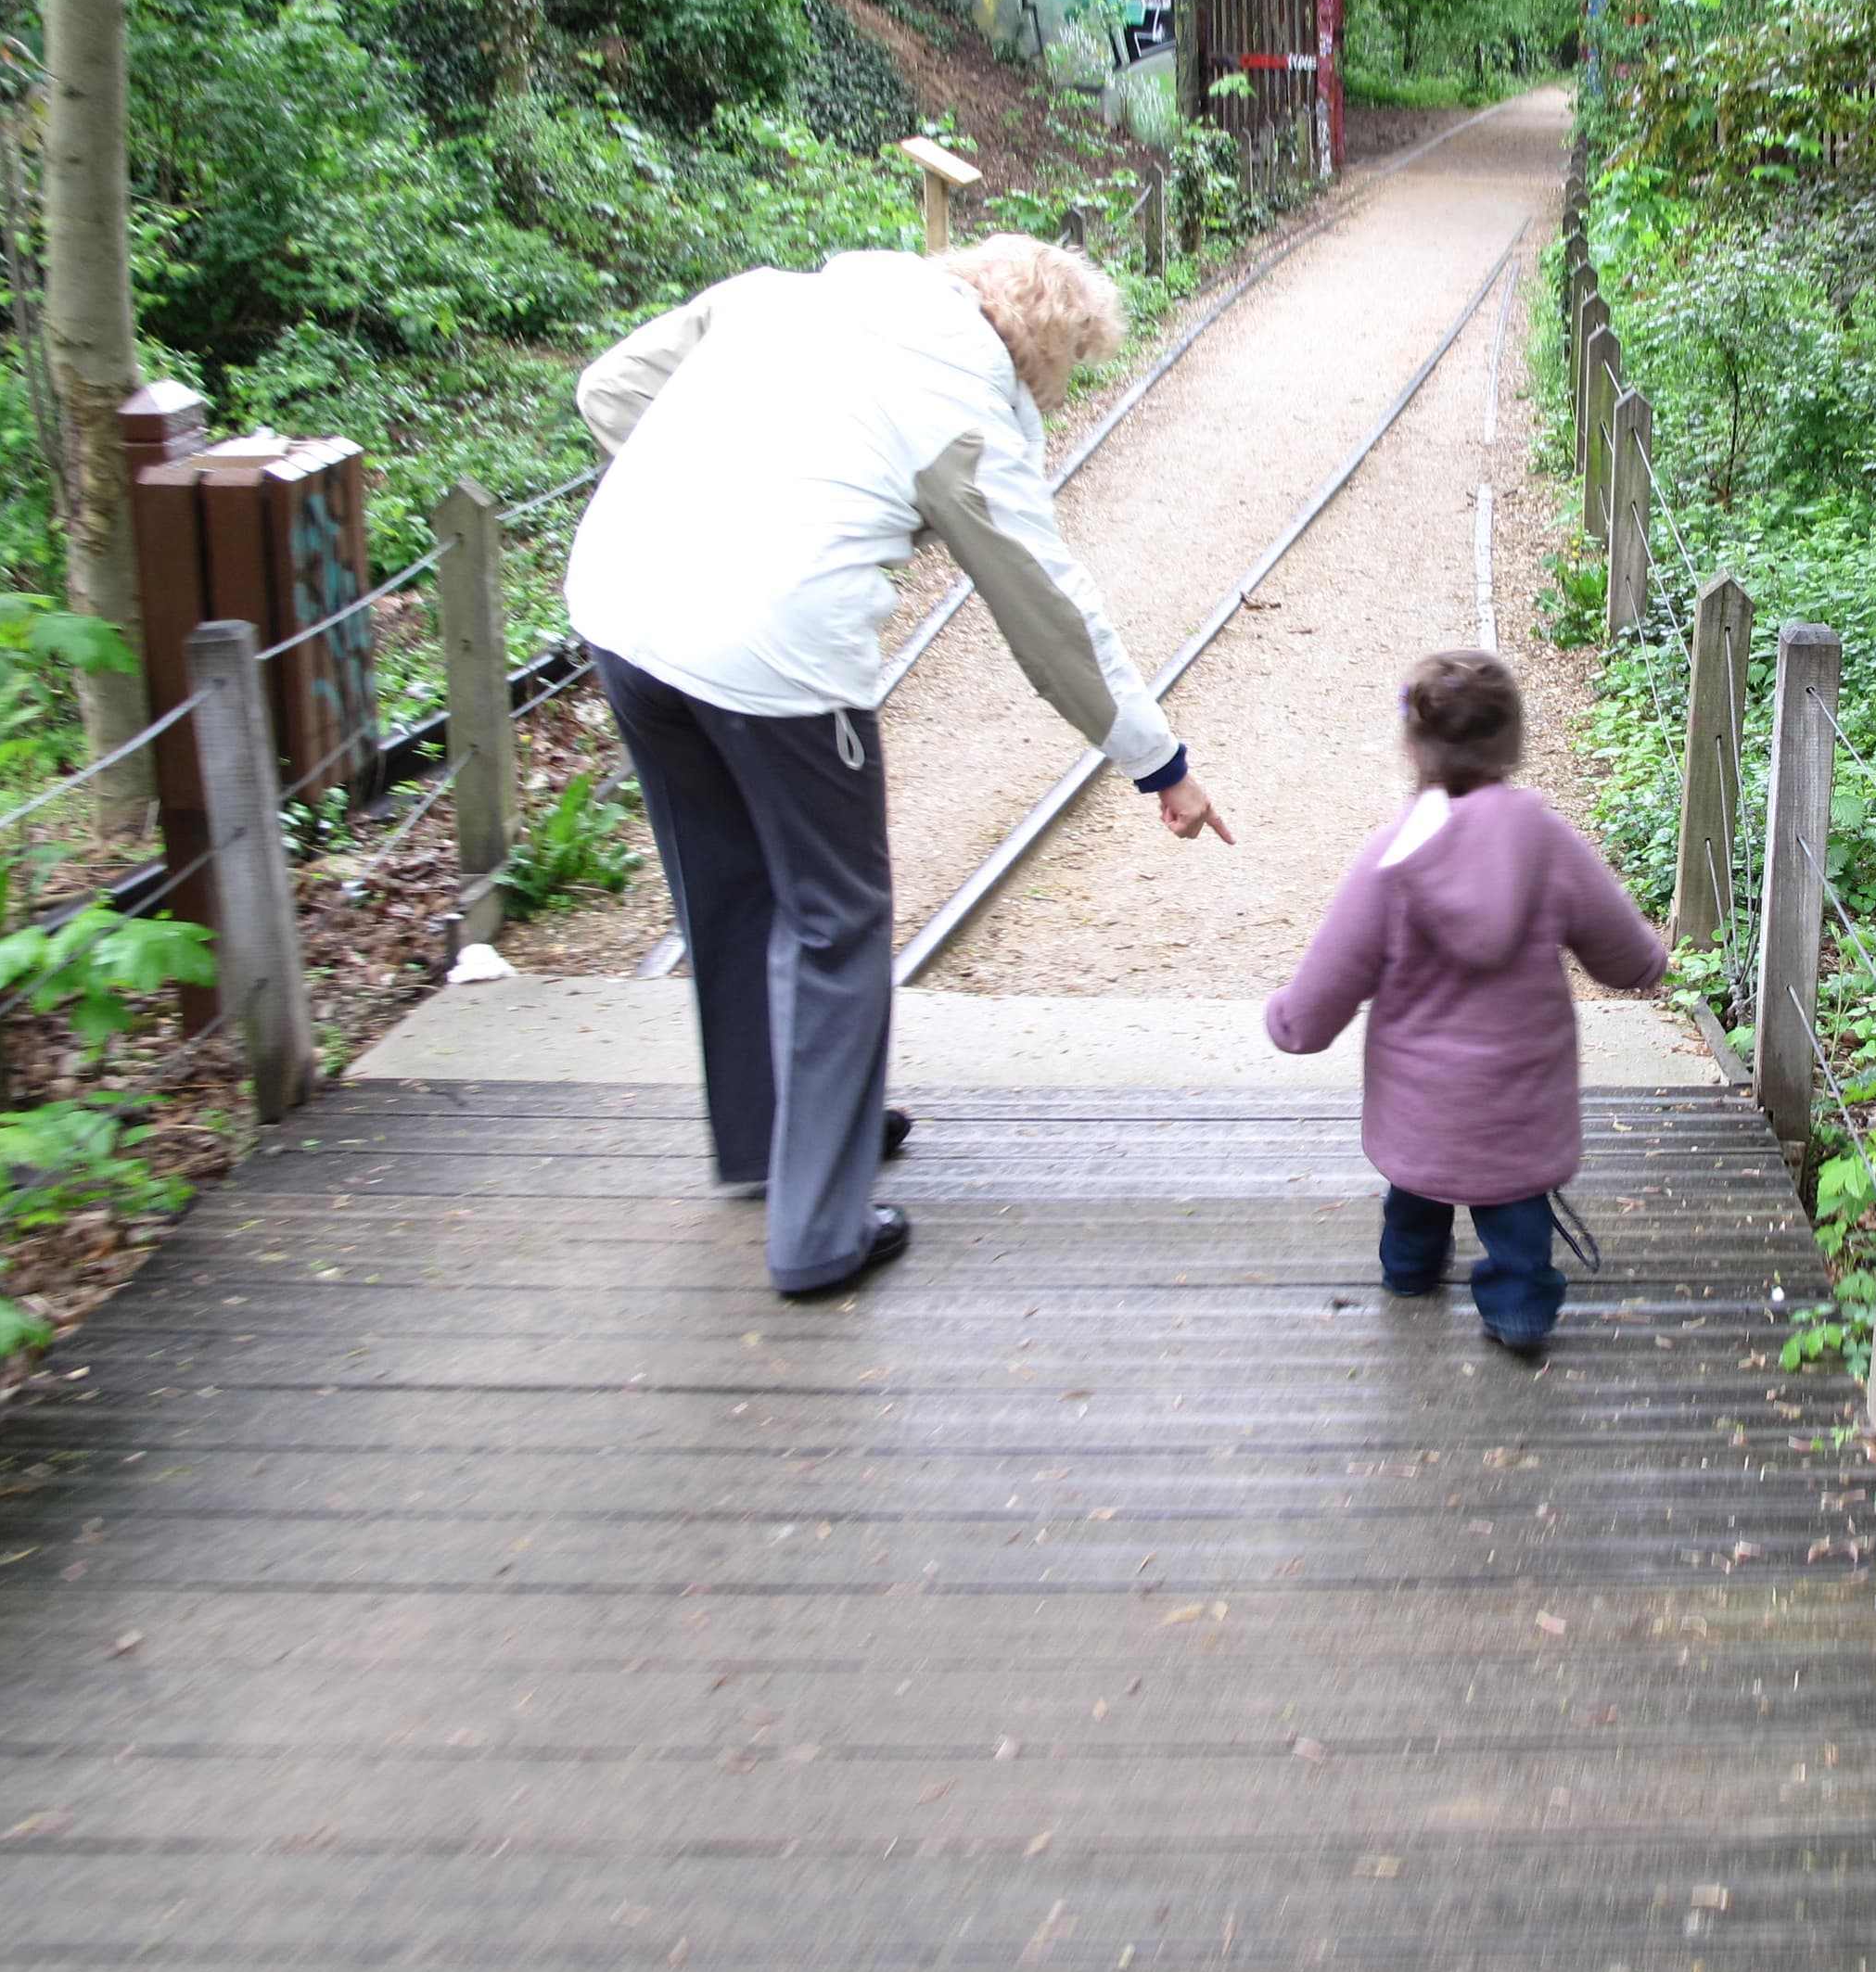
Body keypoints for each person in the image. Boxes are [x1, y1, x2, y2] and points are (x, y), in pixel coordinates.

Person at [565, 234, 1232, 1298]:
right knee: (835, 920)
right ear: (1045, 348)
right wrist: (1162, 765)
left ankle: (779, 1137)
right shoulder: (965, 402)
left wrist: (704, 512)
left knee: (727, 893)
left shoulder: (781, 295)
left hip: (620, 601)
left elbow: (610, 391)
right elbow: (1049, 614)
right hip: (775, 651)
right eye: (1066, 368)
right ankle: (818, 1234)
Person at [1263, 650, 1665, 1356]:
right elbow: (1621, 951)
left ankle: (1409, 1270)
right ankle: (1520, 1310)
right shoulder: (1547, 844)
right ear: (1514, 743)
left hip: (1420, 1106)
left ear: (1412, 747)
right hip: (1520, 1100)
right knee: (1516, 1206)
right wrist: (1646, 965)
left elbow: (1332, 977)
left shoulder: (1390, 859)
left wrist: (1290, 1022)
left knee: (1415, 1191)